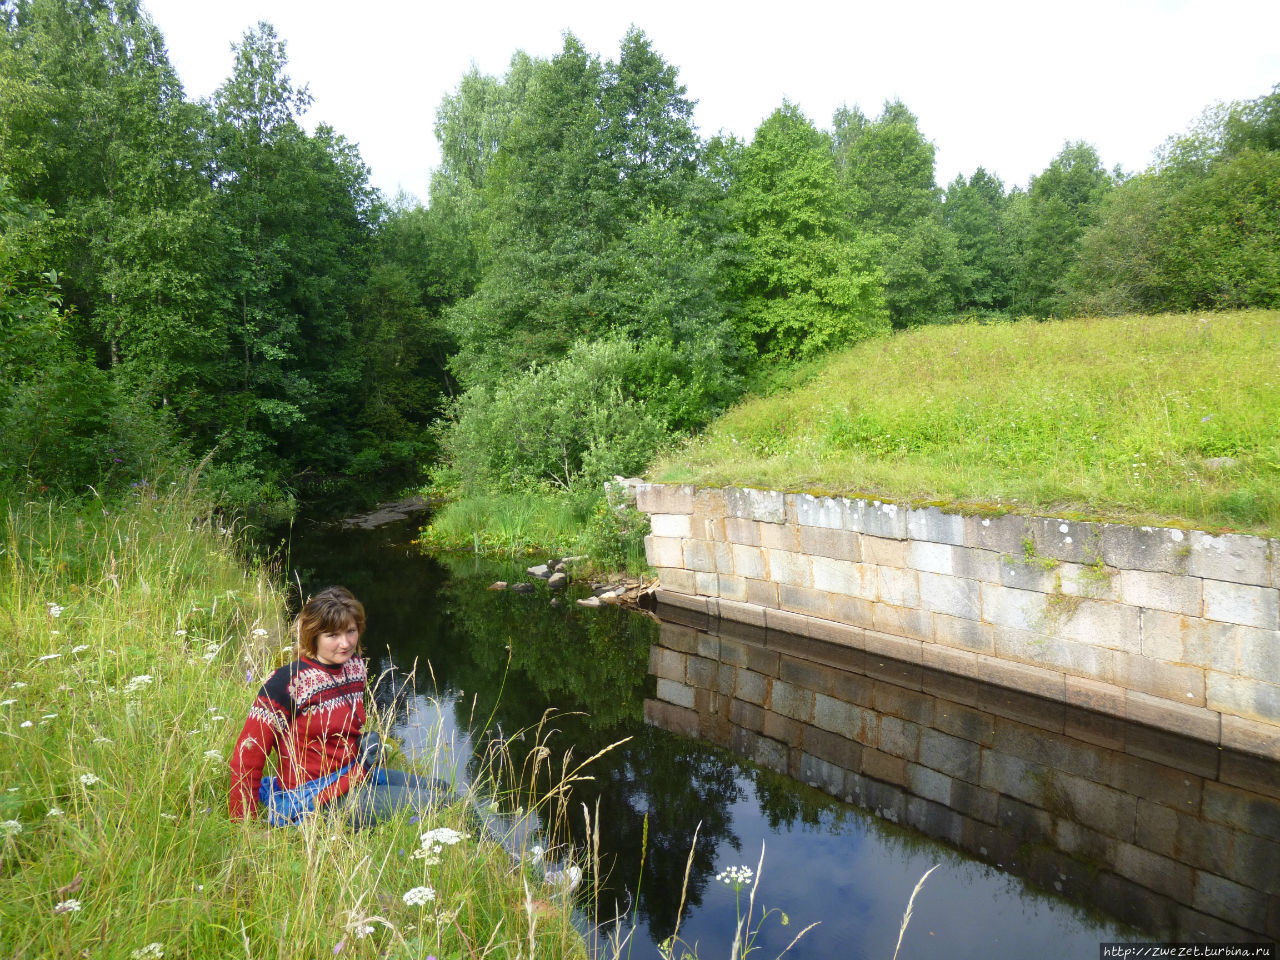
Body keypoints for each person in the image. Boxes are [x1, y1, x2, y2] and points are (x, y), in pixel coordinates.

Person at [228, 585, 448, 829]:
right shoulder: (286, 683)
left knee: (446, 791)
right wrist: (244, 829)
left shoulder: (354, 667)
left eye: (351, 631)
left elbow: (338, 729)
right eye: (332, 635)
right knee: (444, 805)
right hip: (315, 798)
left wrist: (363, 746)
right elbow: (246, 757)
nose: (345, 643)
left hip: (355, 775)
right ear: (314, 637)